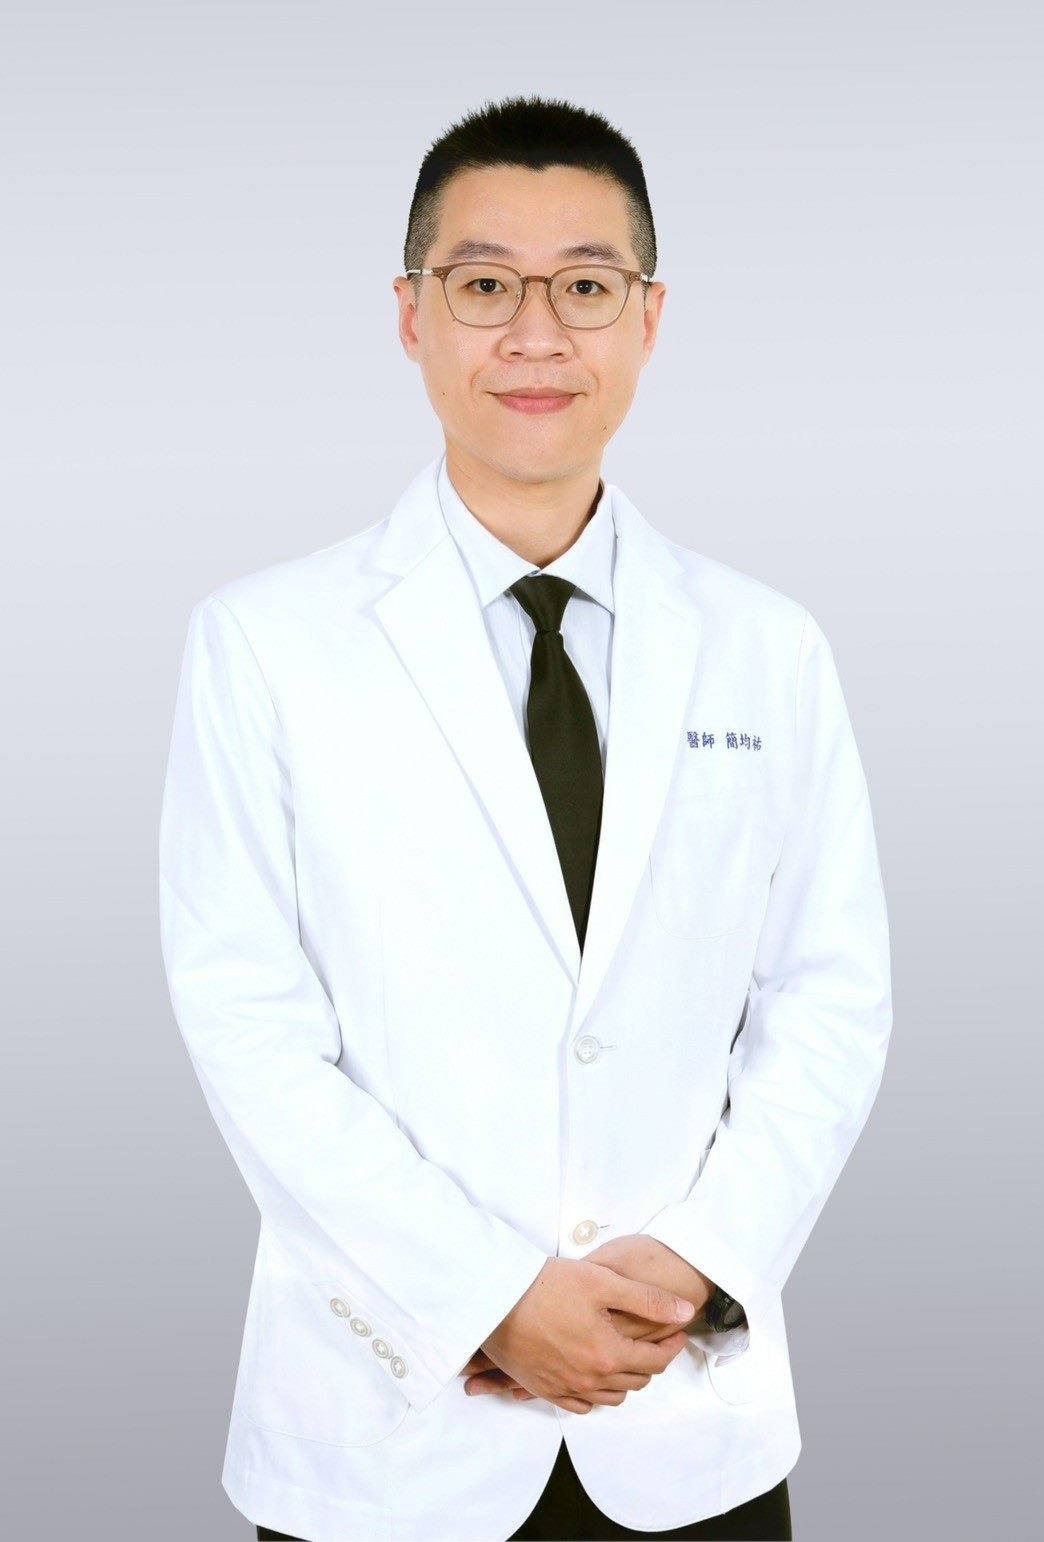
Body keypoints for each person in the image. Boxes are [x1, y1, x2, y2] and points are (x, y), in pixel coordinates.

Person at [159, 94, 892, 1542]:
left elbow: (832, 996)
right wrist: (487, 1295)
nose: (537, 335)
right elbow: (244, 1020)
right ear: (411, 315)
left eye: (587, 288)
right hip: (390, 1434)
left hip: (681, 1413)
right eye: (485, 284)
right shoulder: (267, 643)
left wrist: (700, 1261)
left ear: (650, 318)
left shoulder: (767, 645)